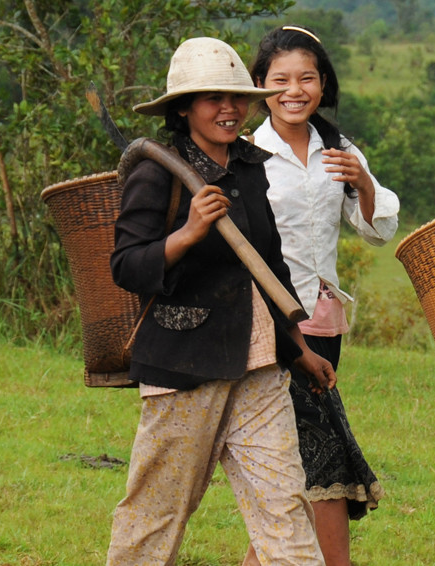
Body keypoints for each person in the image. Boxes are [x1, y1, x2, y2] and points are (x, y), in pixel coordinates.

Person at [106, 36, 338, 566]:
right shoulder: (158, 170)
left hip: (258, 363)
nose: (229, 110)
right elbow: (126, 265)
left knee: (284, 507)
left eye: (236, 98)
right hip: (185, 363)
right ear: (184, 107)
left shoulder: (251, 166)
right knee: (158, 512)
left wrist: (297, 346)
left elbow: (270, 266)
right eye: (213, 99)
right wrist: (186, 234)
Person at [243, 24, 394, 566]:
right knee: (315, 461)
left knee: (295, 468)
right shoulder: (246, 152)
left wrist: (364, 183)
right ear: (259, 85)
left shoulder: (337, 147)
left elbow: (378, 230)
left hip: (323, 326)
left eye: (308, 77)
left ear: (323, 83)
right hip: (268, 329)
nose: (295, 90)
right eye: (280, 79)